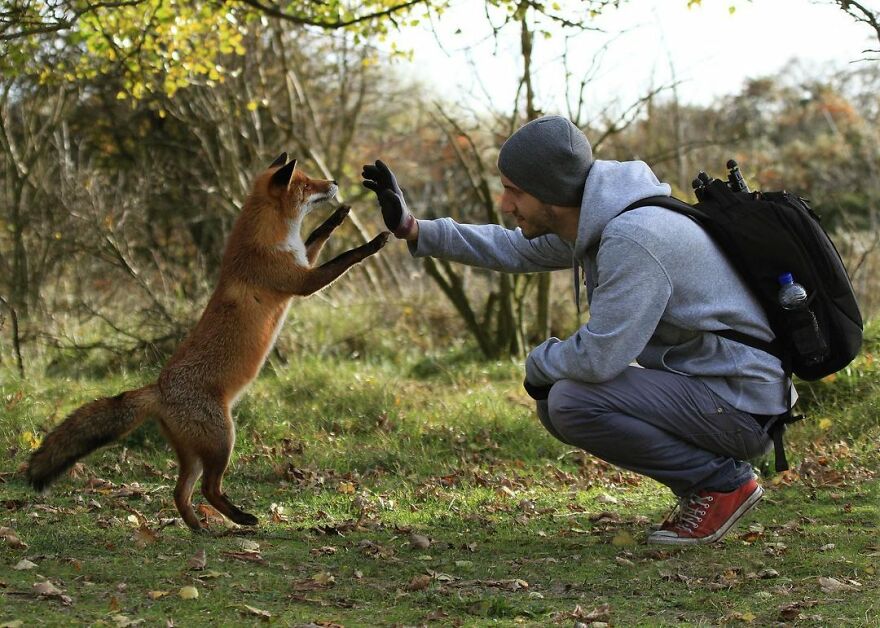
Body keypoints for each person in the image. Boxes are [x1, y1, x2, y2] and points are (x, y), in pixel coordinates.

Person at [362, 115, 790, 545]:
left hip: (743, 404)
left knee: (569, 399)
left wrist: (538, 362)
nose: (505, 204)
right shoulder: (599, 221)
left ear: (551, 192)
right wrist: (413, 228)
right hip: (717, 390)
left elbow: (599, 358)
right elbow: (513, 247)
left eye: (515, 191)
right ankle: (709, 484)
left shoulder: (633, 238)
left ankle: (722, 484)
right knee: (559, 400)